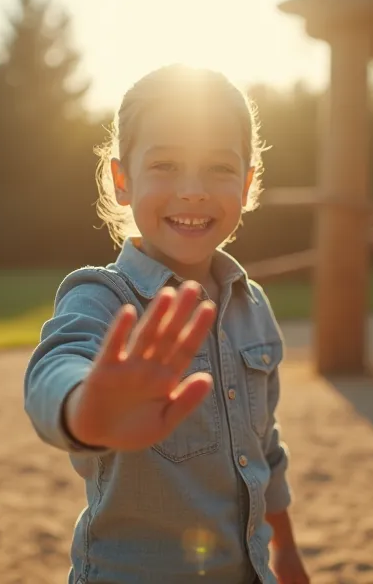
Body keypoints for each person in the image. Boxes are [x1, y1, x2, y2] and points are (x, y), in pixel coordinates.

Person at [23, 64, 310, 584]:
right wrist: (86, 410)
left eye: (220, 168)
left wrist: (285, 552)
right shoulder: (104, 297)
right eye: (166, 165)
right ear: (123, 181)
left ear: (247, 184)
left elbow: (264, 450)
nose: (193, 190)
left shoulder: (253, 305)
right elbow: (54, 368)